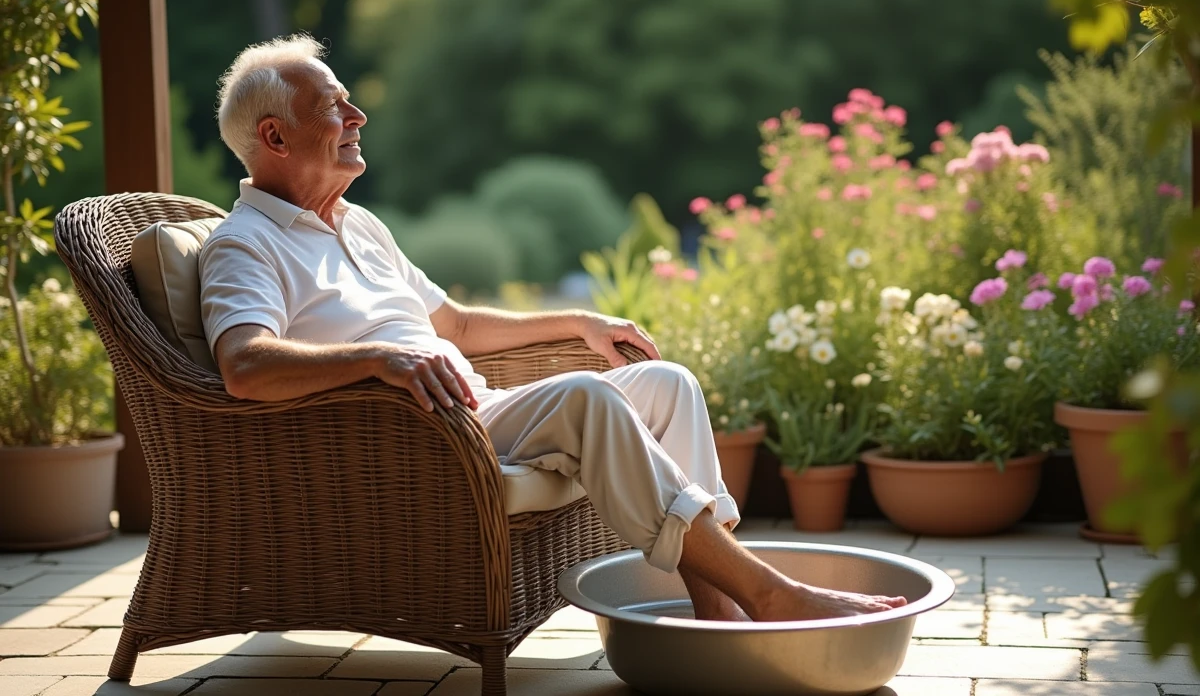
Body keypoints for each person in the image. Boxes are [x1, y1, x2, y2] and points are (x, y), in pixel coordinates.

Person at [200, 34, 906, 623]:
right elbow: (245, 365)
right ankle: (773, 594)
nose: (356, 114)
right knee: (587, 398)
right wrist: (382, 358)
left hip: (471, 413)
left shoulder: (359, 225)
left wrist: (580, 320)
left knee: (666, 383)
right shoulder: (245, 244)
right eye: (333, 106)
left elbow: (459, 324)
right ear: (275, 136)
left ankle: (716, 613)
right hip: (404, 439)